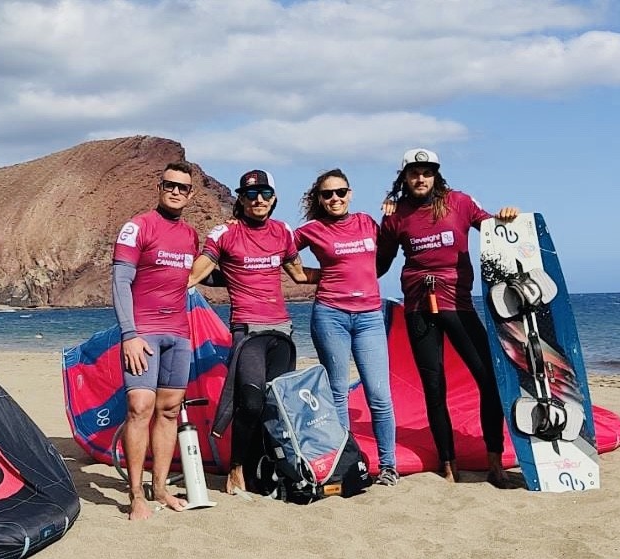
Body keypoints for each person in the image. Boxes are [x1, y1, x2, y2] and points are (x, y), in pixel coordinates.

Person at [376, 148, 518, 486]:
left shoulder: (460, 202)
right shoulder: (396, 216)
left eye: (427, 172)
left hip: (458, 303)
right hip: (417, 308)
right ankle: (448, 462)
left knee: (489, 380)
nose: (420, 178)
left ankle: (494, 460)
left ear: (436, 175)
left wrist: (507, 219)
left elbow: (493, 231)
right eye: (414, 173)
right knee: (433, 387)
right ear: (405, 177)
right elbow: (380, 263)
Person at [187, 169, 306, 495]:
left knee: (275, 405)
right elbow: (197, 272)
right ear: (240, 198)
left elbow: (298, 274)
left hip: (282, 331)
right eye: (251, 194)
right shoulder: (225, 233)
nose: (259, 200)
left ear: (274, 198)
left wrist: (346, 272)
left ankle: (264, 466)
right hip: (248, 332)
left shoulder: (283, 232)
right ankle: (236, 468)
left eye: (265, 193)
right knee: (250, 403)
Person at [293, 169, 399, 486]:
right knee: (338, 394)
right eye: (328, 194)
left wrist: (394, 212)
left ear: (350, 194)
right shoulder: (311, 230)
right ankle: (347, 462)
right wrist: (310, 276)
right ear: (319, 199)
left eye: (340, 192)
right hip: (331, 315)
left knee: (379, 394)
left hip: (369, 316)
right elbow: (281, 251)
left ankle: (388, 466)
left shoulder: (368, 222)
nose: (335, 198)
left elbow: (388, 250)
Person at [112, 161, 202, 520]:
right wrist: (129, 334)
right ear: (159, 187)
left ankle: (160, 489)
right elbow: (120, 283)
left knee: (168, 412)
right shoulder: (138, 226)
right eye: (170, 185)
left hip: (179, 334)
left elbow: (192, 278)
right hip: (143, 333)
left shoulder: (191, 235)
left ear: (191, 194)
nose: (176, 191)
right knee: (139, 408)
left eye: (183, 187)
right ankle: (136, 495)